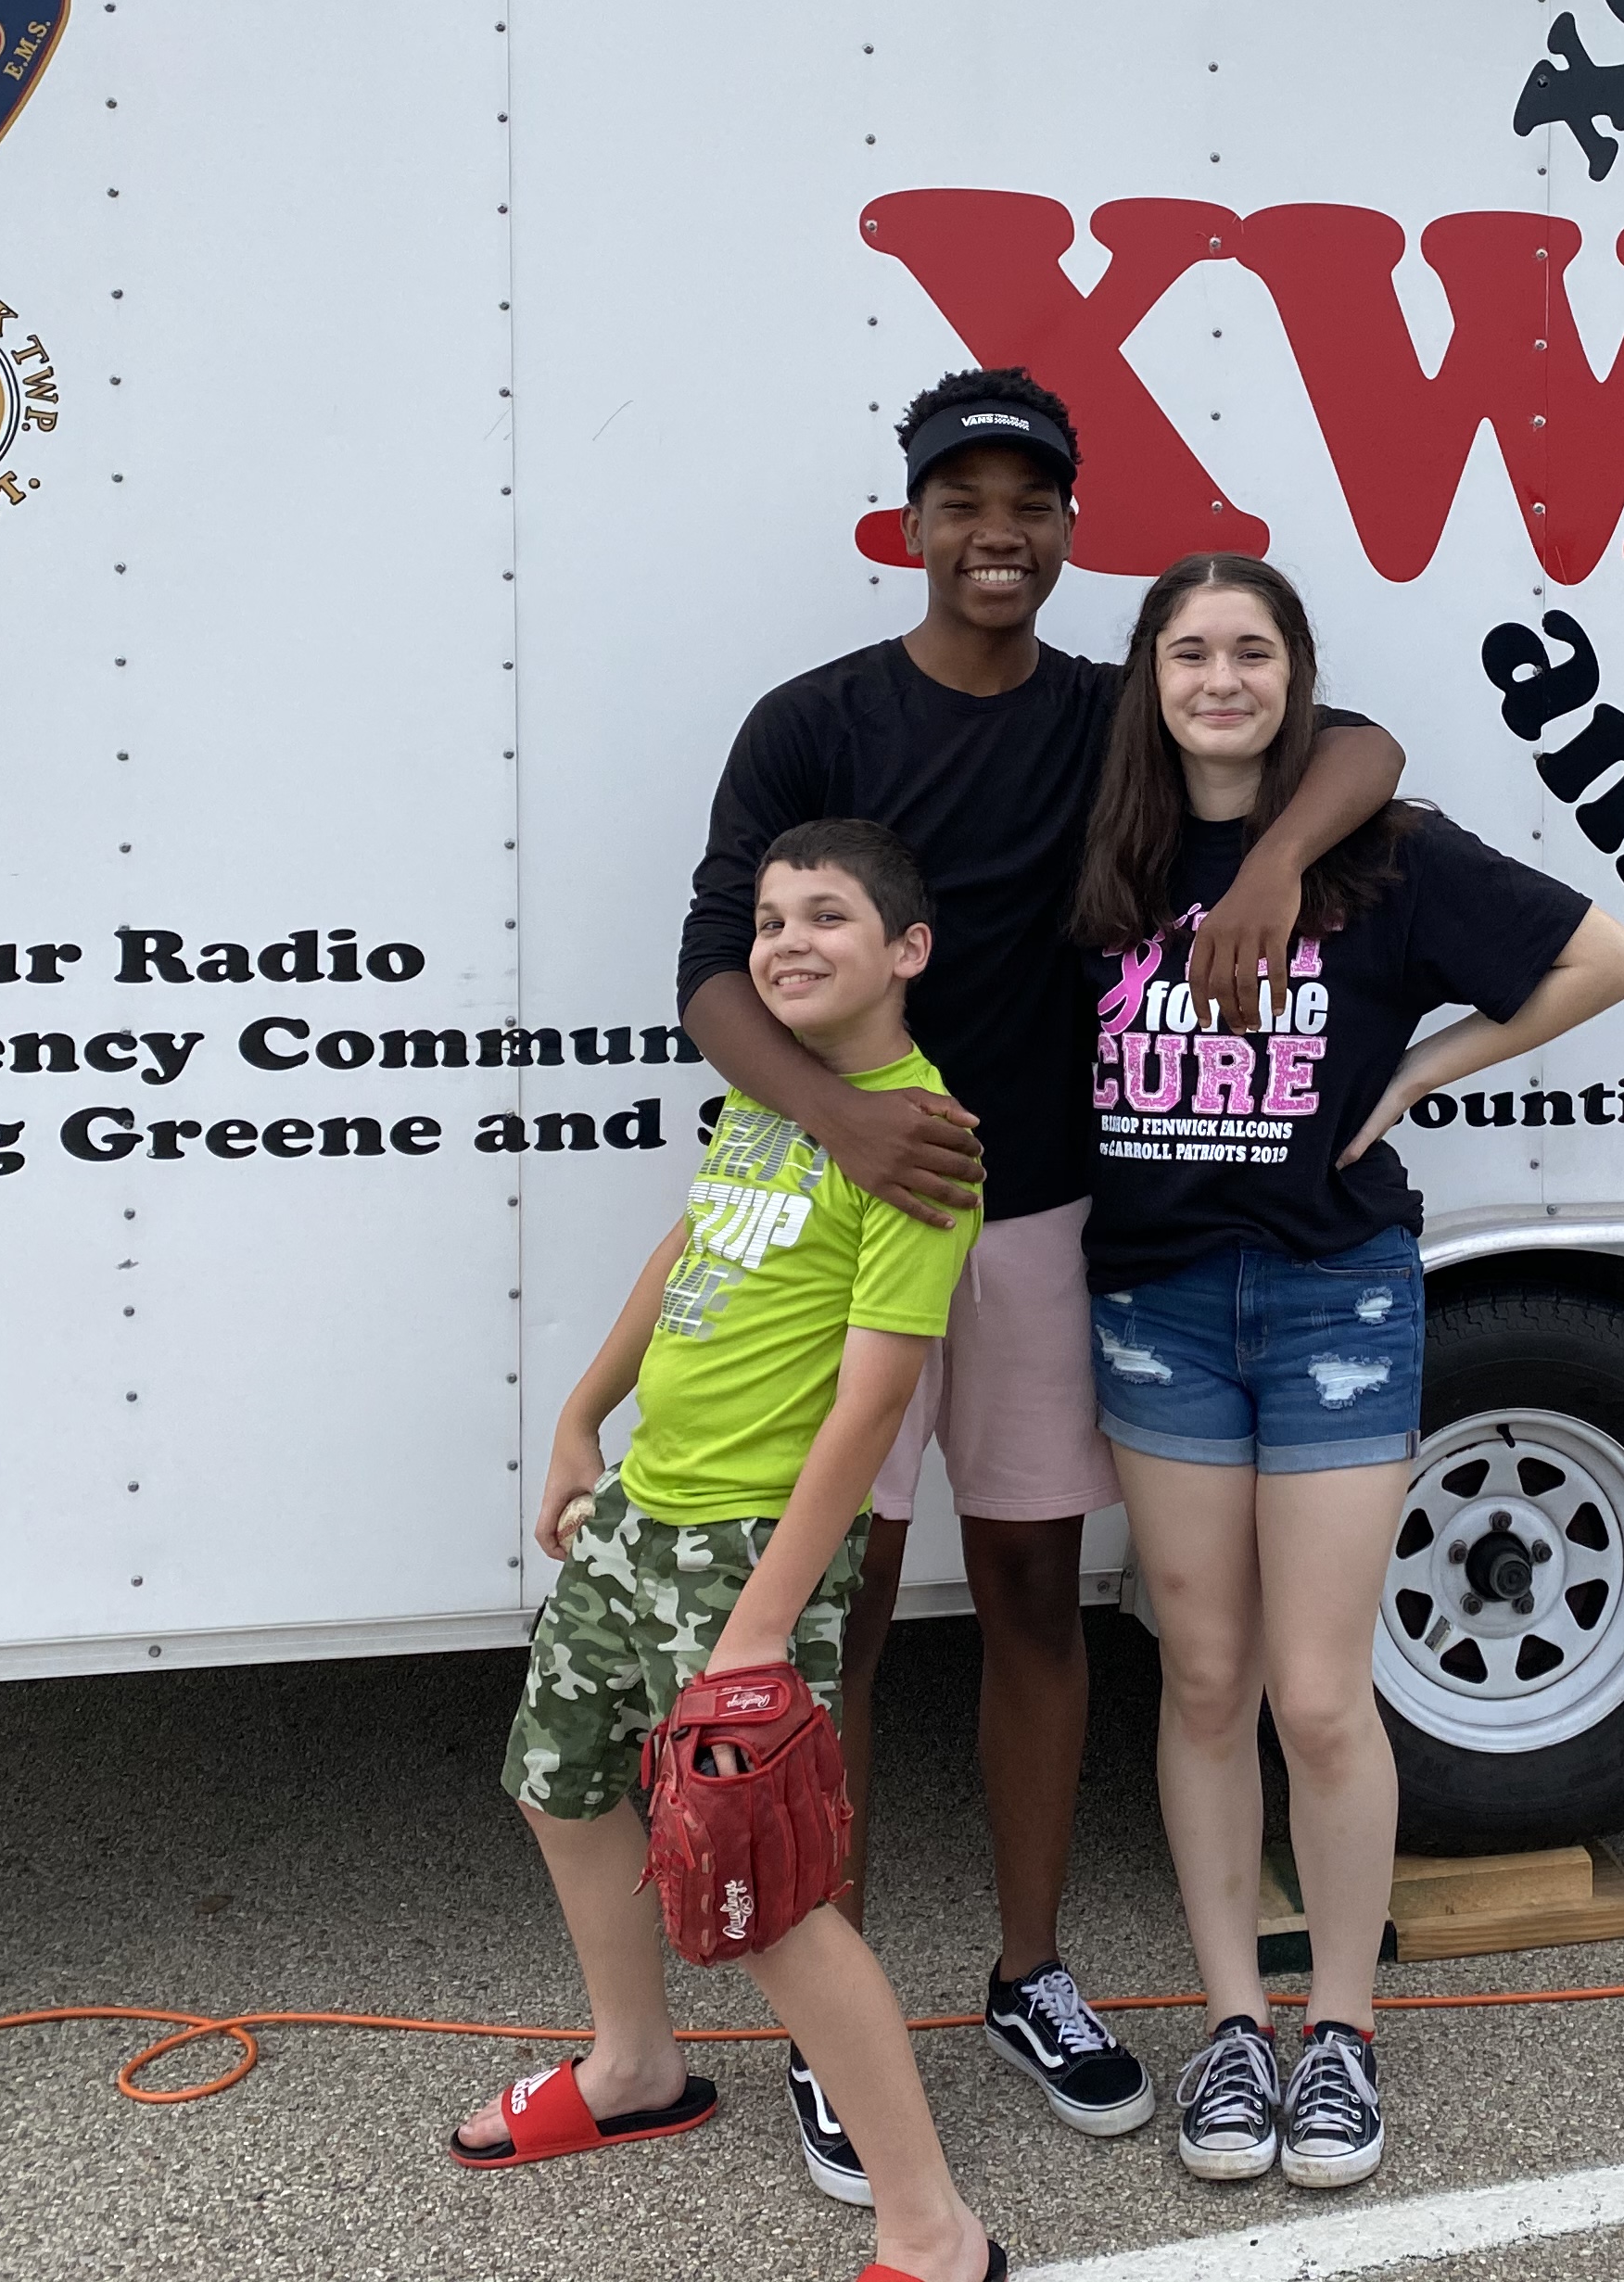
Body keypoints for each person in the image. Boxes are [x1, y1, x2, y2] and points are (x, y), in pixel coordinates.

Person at [674, 370, 1405, 2196]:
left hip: (1040, 1219)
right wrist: (841, 1118)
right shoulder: (813, 722)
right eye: (962, 502)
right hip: (847, 1215)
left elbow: (1361, 748)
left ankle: (1029, 1972)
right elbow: (706, 971)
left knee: (1028, 1593)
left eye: (1030, 505)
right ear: (912, 523)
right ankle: (829, 2019)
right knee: (840, 1609)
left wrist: (1282, 860)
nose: (996, 534)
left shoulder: (1107, 715)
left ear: (1071, 528)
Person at [1070, 554, 1624, 2190]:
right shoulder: (1105, 850)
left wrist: (1415, 1074)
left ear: (1296, 673)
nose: (1221, 681)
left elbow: (1608, 959)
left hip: (1335, 1300)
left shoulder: (1381, 855)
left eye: (1252, 651)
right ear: (1151, 678)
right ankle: (1232, 2026)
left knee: (1320, 1696)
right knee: (1203, 1680)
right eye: (1190, 653)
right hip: (1160, 1308)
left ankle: (1341, 2031)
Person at [458, 820, 1006, 2282]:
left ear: (908, 950)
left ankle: (933, 2231)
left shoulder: (922, 1138)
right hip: (642, 1511)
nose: (787, 943)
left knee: (766, 1892)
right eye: (768, 921)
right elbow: (686, 1250)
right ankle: (635, 2065)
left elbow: (873, 1401)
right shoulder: (772, 1099)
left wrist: (762, 1624)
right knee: (559, 1785)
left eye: (826, 916)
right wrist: (582, 1418)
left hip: (747, 1552)